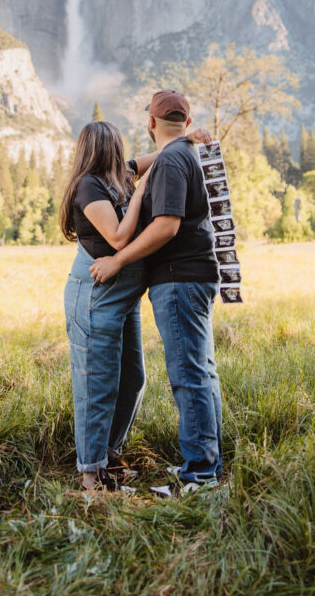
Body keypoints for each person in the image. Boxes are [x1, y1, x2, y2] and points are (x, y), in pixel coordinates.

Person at [90, 90, 223, 492]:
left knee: (189, 375)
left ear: (150, 124)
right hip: (194, 276)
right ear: (185, 121)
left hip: (179, 279)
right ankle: (207, 466)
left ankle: (199, 476)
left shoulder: (169, 160)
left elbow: (167, 225)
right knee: (202, 371)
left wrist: (118, 260)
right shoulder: (184, 154)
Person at [59, 120, 156, 491]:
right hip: (95, 299)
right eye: (117, 147)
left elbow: (153, 157)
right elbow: (117, 237)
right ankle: (91, 475)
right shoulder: (90, 186)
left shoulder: (120, 177)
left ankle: (108, 456)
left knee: (132, 379)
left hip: (124, 298)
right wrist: (141, 191)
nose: (124, 154)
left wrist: (187, 140)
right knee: (96, 384)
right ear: (106, 150)